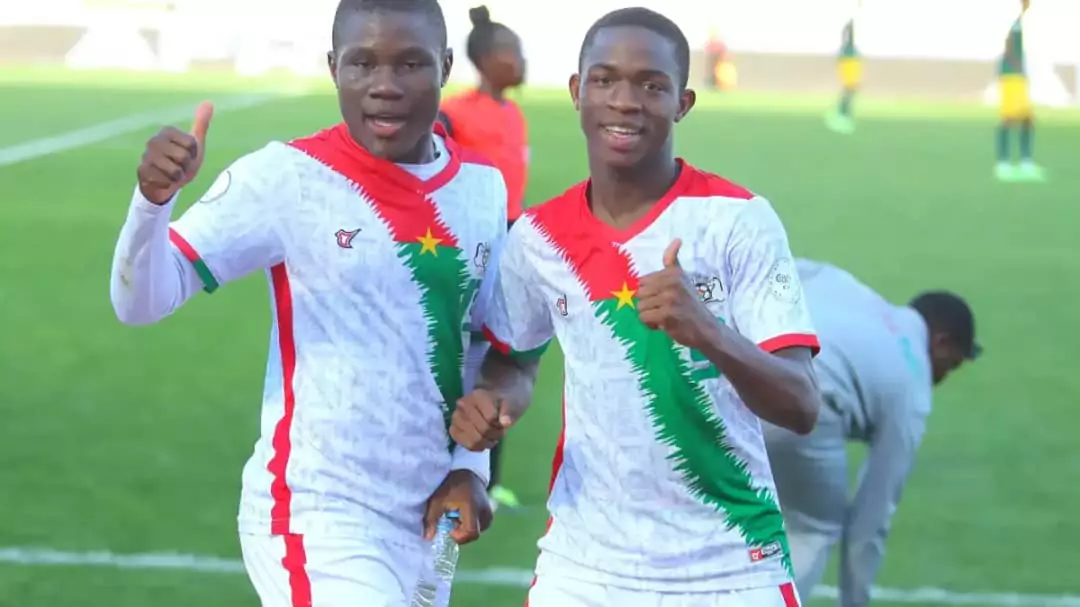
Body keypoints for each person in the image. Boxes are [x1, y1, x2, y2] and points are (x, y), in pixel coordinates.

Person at [109, 0, 505, 603]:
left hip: (431, 520)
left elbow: (479, 343)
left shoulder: (483, 187)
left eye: (410, 64)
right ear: (333, 67)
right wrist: (152, 203)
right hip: (316, 514)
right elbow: (140, 302)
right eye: (362, 64)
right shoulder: (288, 177)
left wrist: (470, 469)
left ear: (446, 66)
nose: (385, 86)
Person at [451, 7, 823, 606]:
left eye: (651, 85)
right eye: (605, 80)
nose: (625, 101)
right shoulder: (538, 239)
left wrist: (709, 332)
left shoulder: (737, 220)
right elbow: (513, 362)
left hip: (730, 566)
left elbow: (801, 406)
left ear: (683, 103)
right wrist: (495, 406)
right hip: (584, 568)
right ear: (577, 91)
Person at [762, 259, 981, 607]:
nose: (941, 379)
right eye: (950, 366)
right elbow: (871, 518)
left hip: (727, 373)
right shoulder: (913, 386)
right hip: (799, 404)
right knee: (812, 527)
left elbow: (775, 265)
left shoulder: (848, 287)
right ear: (941, 342)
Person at [438, 4, 528, 511]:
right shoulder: (454, 113)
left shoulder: (512, 113)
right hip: (468, 249)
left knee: (501, 361)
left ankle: (487, 478)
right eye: (513, 53)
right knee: (461, 361)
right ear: (487, 60)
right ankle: (448, 468)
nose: (521, 61)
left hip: (509, 245)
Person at [995, 0, 1045, 182]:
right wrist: (1016, 66)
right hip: (1012, 76)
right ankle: (1003, 164)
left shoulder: (1022, 22)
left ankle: (1026, 162)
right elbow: (1008, 42)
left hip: (1017, 77)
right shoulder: (1014, 21)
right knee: (1008, 119)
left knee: (1027, 119)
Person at [826, 17, 860, 134]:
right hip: (849, 68)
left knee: (849, 93)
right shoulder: (848, 50)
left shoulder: (847, 50)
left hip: (850, 67)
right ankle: (843, 115)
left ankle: (844, 115)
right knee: (849, 92)